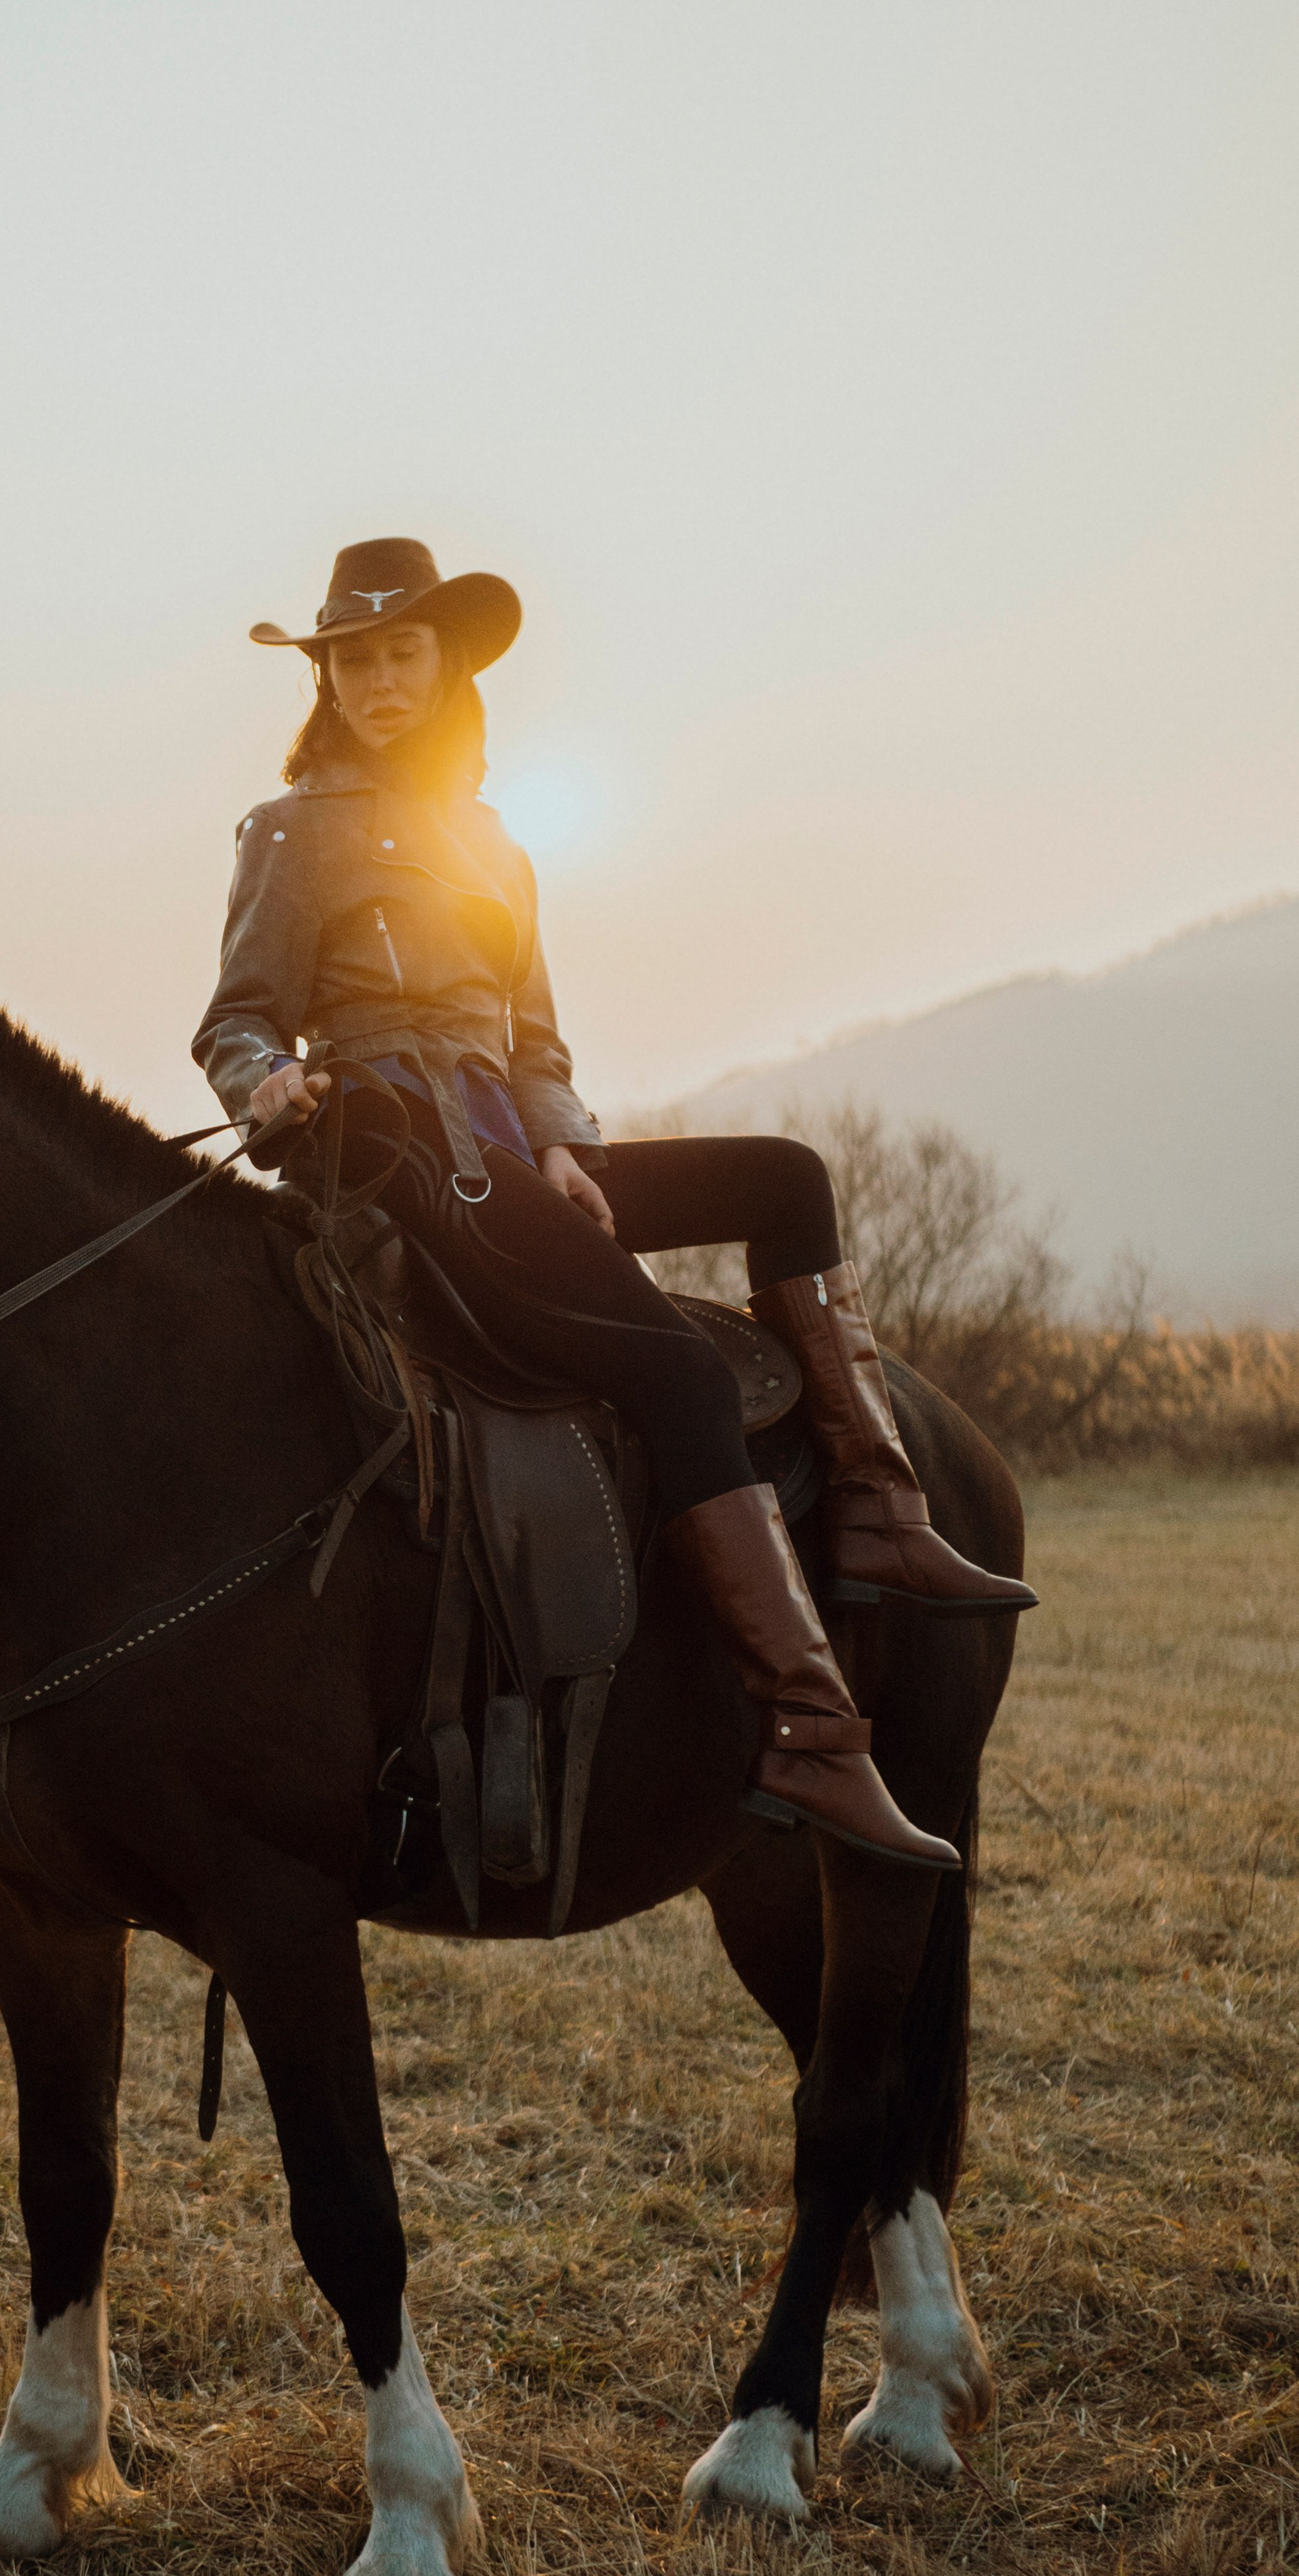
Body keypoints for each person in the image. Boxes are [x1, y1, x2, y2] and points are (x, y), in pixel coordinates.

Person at [194, 539, 1034, 1873]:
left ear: (445, 668)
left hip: (511, 1158)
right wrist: (269, 1083)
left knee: (788, 1177)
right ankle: (813, 1729)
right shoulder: (290, 832)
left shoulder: (495, 843)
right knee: (681, 1377)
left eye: (402, 653)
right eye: (354, 660)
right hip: (401, 1164)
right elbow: (236, 1019)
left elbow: (536, 1042)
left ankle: (880, 1508)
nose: (379, 679)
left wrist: (565, 1146)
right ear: (329, 678)